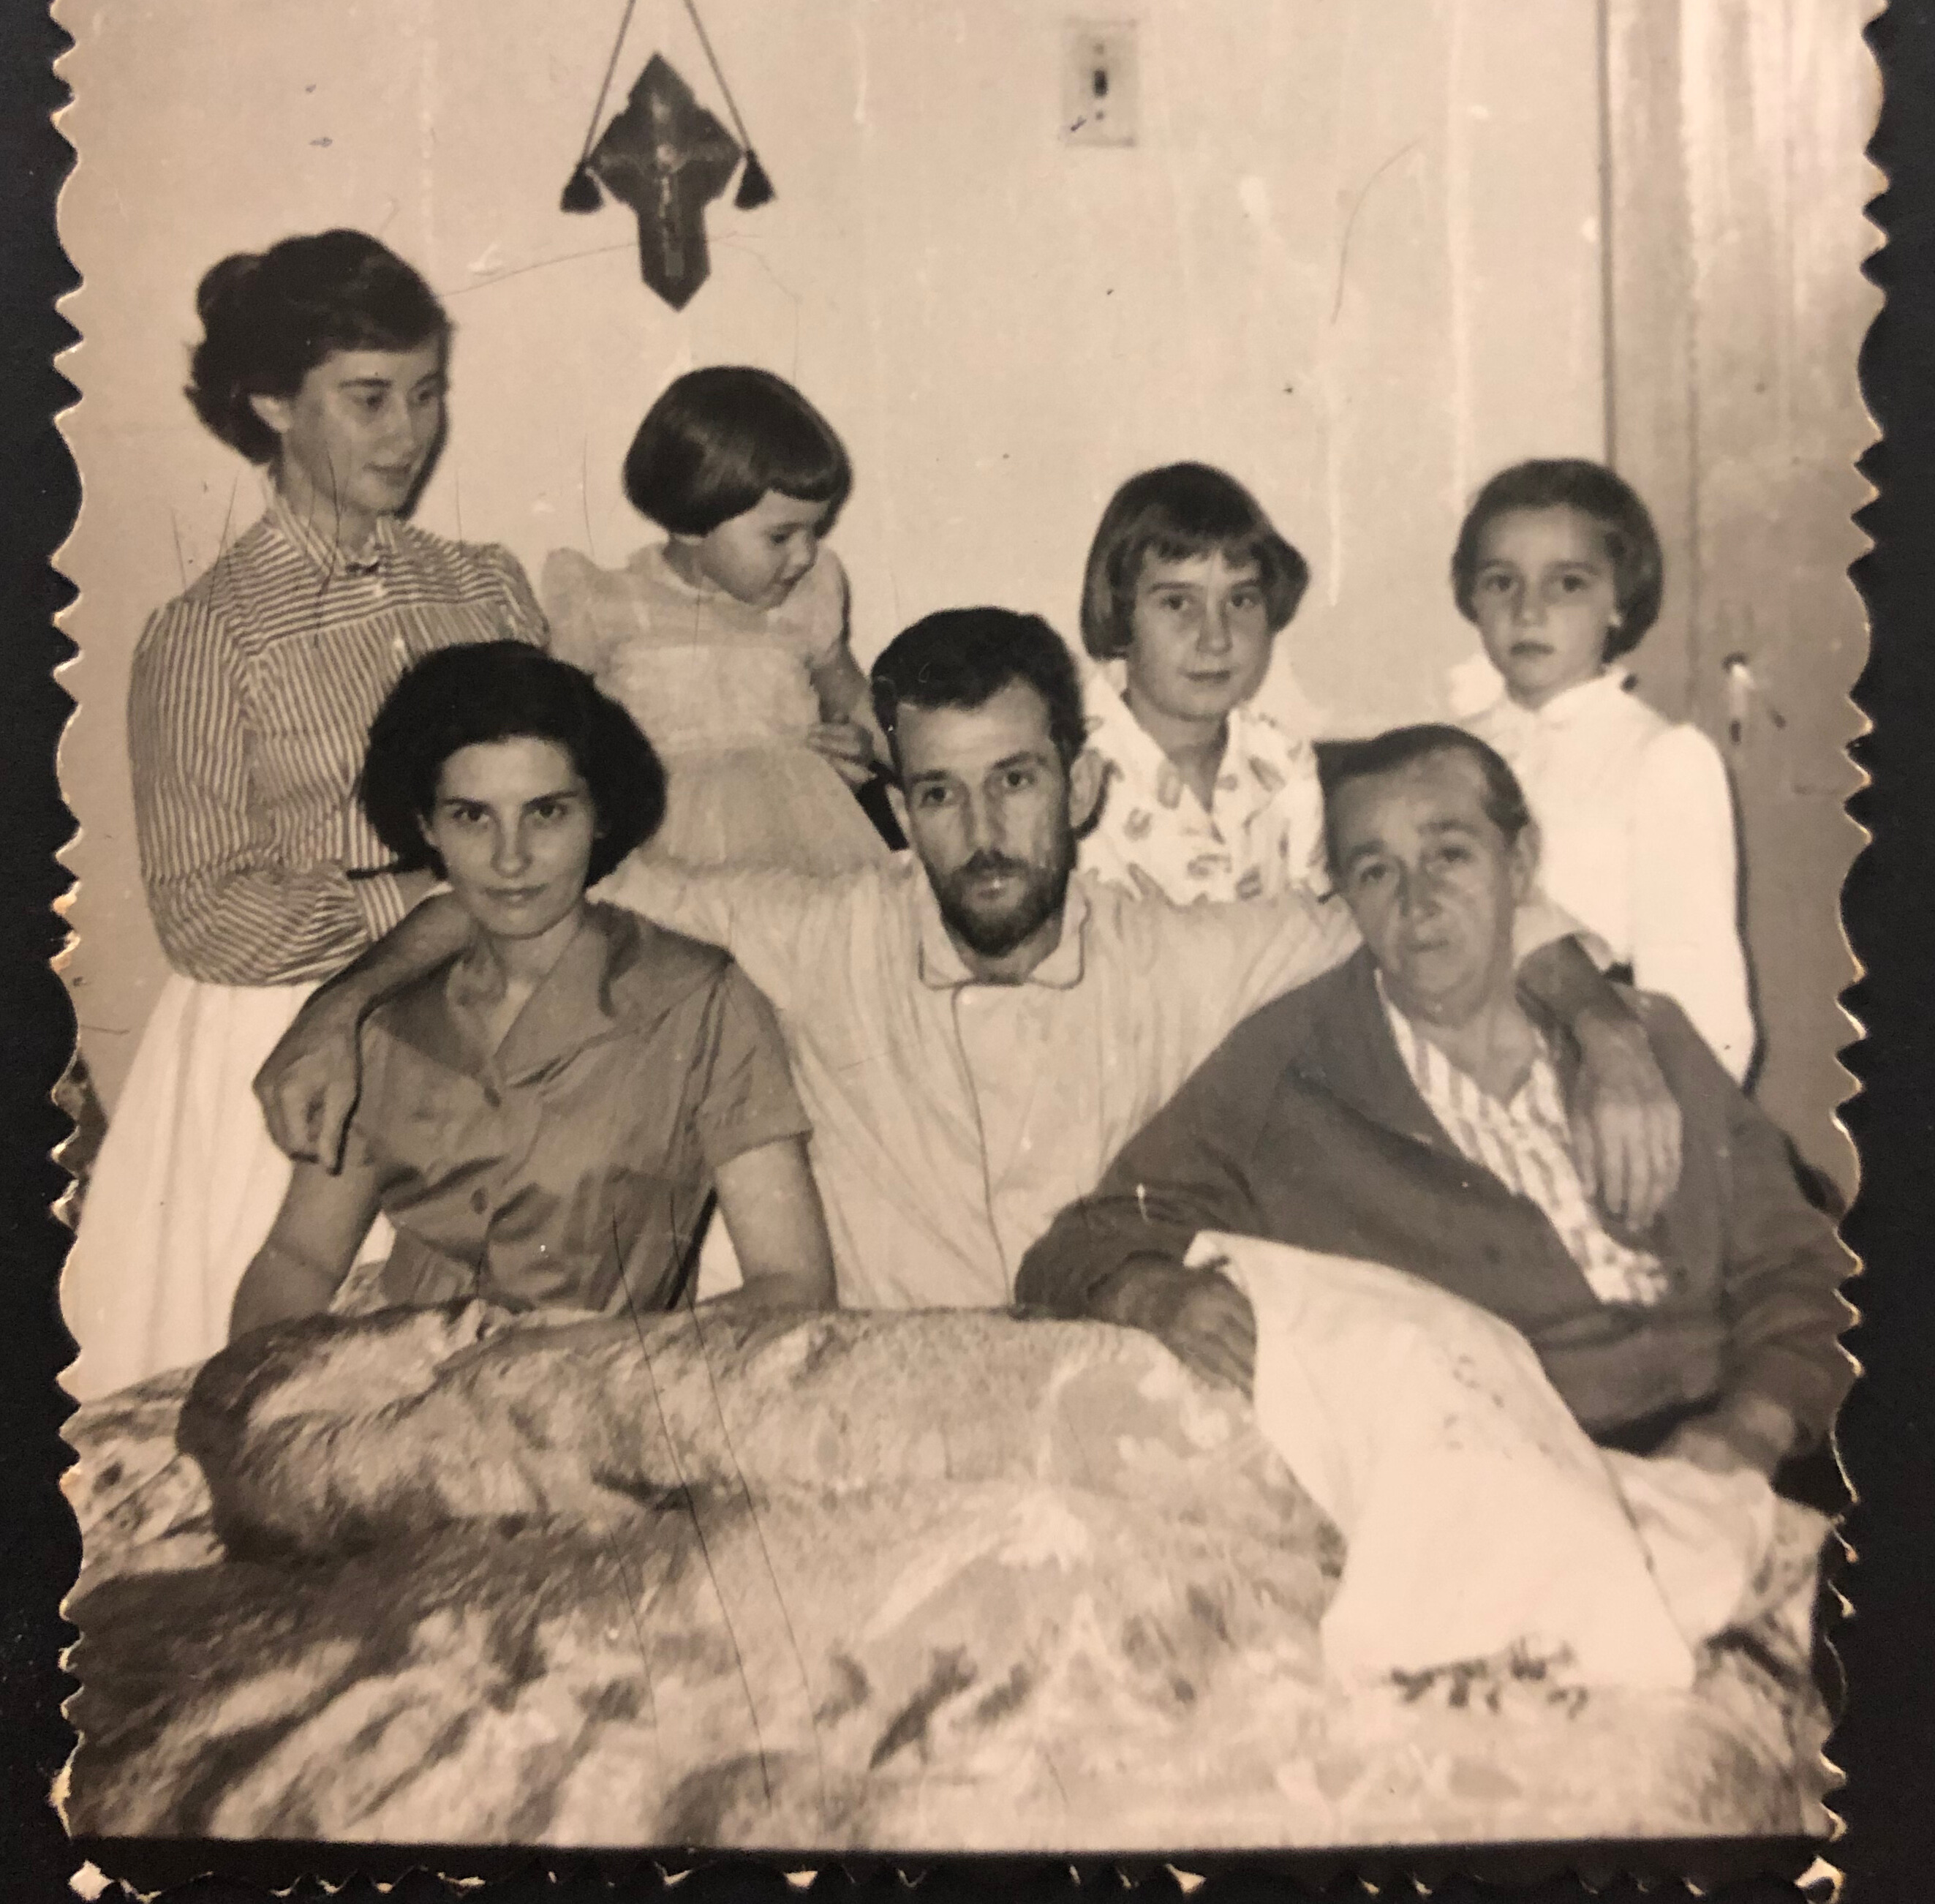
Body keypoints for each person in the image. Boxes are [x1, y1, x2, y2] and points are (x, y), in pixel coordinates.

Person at [257, 612, 1683, 1316]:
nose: (982, 833)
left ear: (1083, 788)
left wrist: (1606, 1029)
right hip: (888, 1417)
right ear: (901, 803)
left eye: (1015, 782)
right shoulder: (821, 932)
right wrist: (343, 1006)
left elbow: (1428, 917)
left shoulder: (1185, 953)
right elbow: (531, 880)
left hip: (1110, 1402)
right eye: (938, 793)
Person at [1016, 726, 1849, 1479]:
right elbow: (1080, 1241)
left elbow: (1803, 1264)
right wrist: (1153, 1294)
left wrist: (1752, 1428)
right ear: (1344, 897)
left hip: (1762, 1442)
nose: (1417, 903)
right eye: (1376, 871)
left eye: (1449, 855)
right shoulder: (1288, 1070)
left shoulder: (1644, 1040)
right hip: (1525, 1485)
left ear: (1518, 864)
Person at [61, 232, 548, 1401]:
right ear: (273, 401)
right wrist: (420, 897)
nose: (409, 432)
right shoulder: (209, 634)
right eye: (369, 397)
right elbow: (203, 915)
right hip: (292, 1044)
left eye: (425, 393)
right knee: (297, 1405)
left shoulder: (481, 586)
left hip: (505, 1009)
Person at [231, 644, 834, 1338]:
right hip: (393, 1371)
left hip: (599, 1375)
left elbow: (794, 1284)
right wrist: (263, 1374)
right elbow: (300, 1258)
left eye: (546, 813)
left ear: (598, 815)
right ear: (427, 826)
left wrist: (578, 1354)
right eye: (471, 816)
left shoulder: (700, 999)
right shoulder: (386, 1018)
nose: (510, 858)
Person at [1452, 458, 1756, 1080]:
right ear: (1473, 598)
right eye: (1502, 582)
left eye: (1567, 584)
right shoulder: (1447, 753)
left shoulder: (1664, 758)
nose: (1528, 612)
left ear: (1619, 601)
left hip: (1598, 1075)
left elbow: (1703, 1002)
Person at [542, 366, 889, 874]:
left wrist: (868, 747)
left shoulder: (805, 600)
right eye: (780, 537)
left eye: (815, 531)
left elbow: (857, 702)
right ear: (690, 523)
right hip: (662, 847)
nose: (805, 556)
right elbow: (554, 736)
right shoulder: (612, 604)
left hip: (800, 842)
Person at [1076, 464, 1324, 905]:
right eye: (1177, 603)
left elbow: (1313, 933)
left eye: (1241, 600)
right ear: (1120, 612)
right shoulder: (1070, 771)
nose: (1216, 638)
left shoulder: (1285, 765)